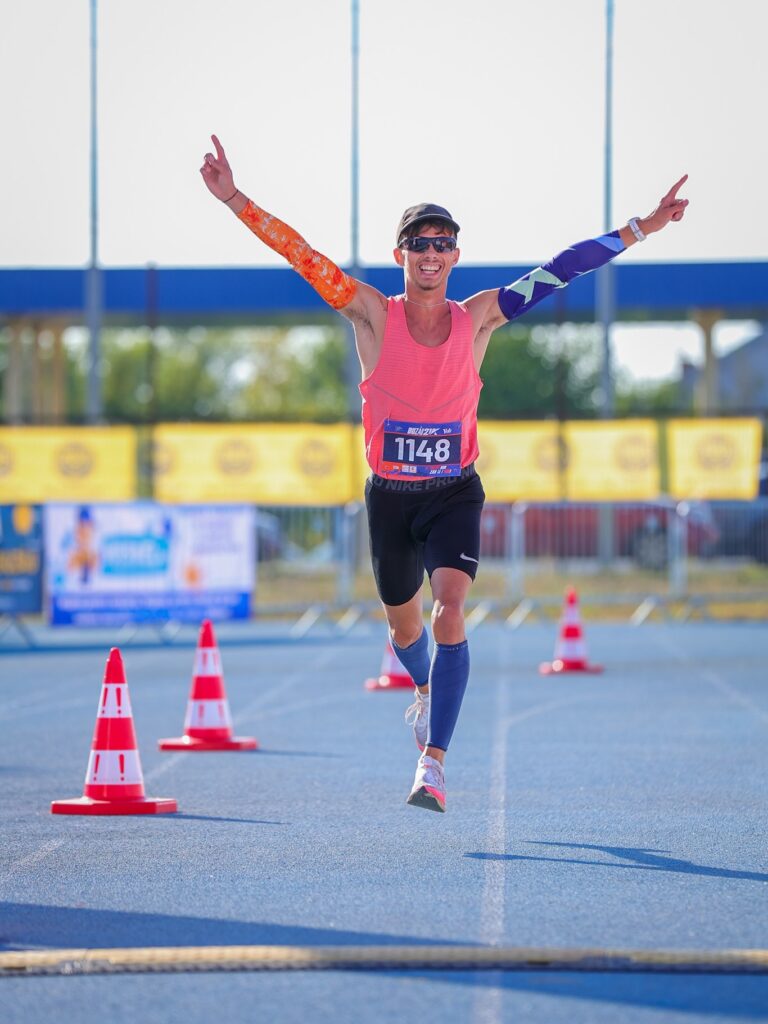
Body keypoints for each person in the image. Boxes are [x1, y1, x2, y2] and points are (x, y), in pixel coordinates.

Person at [201, 134, 689, 813]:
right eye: (419, 243)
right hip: (391, 500)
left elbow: (561, 269)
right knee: (405, 630)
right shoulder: (370, 312)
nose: (431, 255)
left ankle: (433, 765)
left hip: (455, 491)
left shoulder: (480, 315)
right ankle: (424, 688)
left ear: (455, 256)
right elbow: (299, 253)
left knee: (449, 607)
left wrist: (643, 226)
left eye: (442, 243)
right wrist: (233, 198)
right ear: (401, 254)